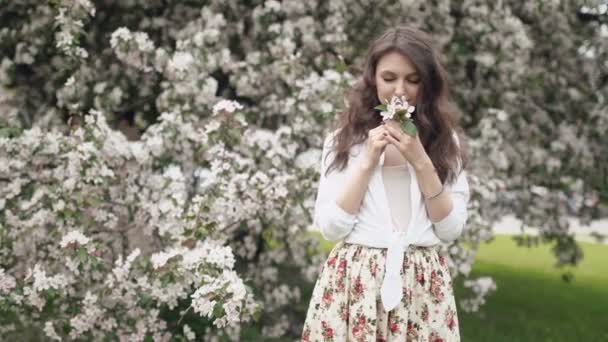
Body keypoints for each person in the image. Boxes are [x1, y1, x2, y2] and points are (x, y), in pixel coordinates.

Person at [301, 26, 470, 341]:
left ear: (427, 84)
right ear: (373, 79)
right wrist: (367, 161)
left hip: (422, 285)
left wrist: (420, 160)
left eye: (413, 79)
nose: (400, 90)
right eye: (389, 78)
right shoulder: (344, 141)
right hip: (355, 283)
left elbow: (450, 229)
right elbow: (331, 228)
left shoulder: (445, 143)